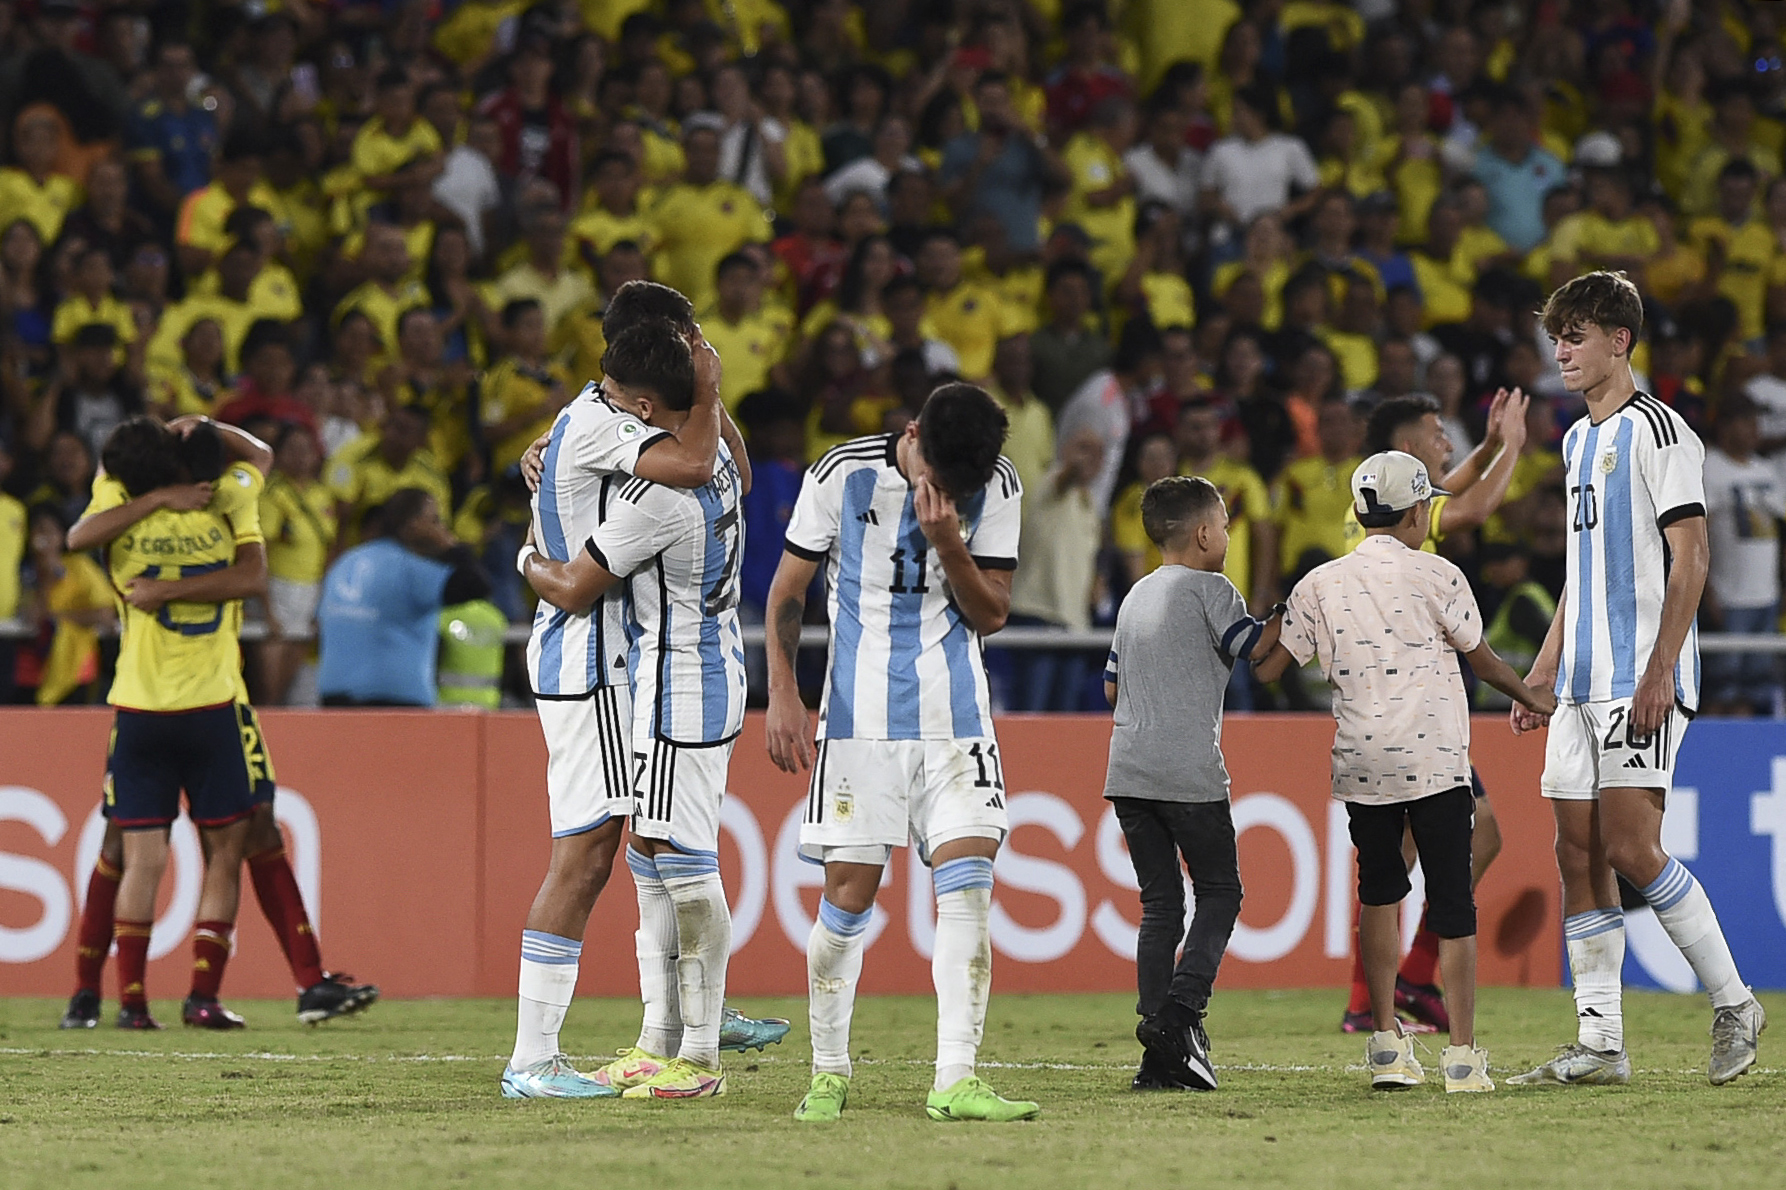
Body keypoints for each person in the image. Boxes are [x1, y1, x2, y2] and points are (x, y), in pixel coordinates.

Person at [1509, 272, 1765, 1088]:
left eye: (1577, 335)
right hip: (1581, 678)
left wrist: (1661, 670)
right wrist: (1544, 667)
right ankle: (1600, 1043)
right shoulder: (1576, 440)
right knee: (1575, 850)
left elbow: (1692, 554)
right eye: (1557, 337)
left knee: (1628, 845)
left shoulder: (1660, 430)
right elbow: (1582, 569)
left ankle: (1735, 1004)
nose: (1563, 351)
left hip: (1637, 676)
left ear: (1620, 341)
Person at [764, 383, 1039, 1125]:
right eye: (937, 480)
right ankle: (827, 1071)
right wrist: (784, 693)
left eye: (959, 490)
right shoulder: (840, 473)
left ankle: (955, 1077)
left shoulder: (998, 482)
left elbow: (993, 613)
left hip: (957, 720)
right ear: (911, 434)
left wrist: (951, 540)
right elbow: (789, 589)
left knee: (969, 889)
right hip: (859, 724)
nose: (943, 494)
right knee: (848, 902)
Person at [60, 418, 379, 1029]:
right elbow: (259, 465)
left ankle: (119, 1000)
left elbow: (79, 536)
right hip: (215, 706)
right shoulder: (230, 494)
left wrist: (154, 518)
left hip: (139, 706)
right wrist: (204, 425)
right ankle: (206, 996)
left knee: (134, 854)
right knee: (231, 846)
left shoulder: (122, 508)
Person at [1255, 450, 1556, 1093]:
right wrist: (1535, 698)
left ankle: (1387, 1044)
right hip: (1435, 759)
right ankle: (1464, 1056)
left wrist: (1278, 606)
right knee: (1452, 901)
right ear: (1419, 510)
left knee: (1379, 892)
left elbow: (1269, 667)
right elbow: (1486, 664)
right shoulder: (1440, 575)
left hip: (1362, 762)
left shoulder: (1320, 583)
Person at [521, 320, 749, 1101]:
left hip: (670, 683)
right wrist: (710, 391)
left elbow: (576, 584)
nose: (606, 404)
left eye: (621, 400)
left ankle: (698, 1048)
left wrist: (525, 547)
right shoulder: (714, 454)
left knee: (668, 858)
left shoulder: (659, 494)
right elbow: (724, 460)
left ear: (651, 408)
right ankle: (661, 1037)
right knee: (640, 854)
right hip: (674, 673)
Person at [1105, 476, 1282, 1091]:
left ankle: (1156, 1049)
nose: (1230, 537)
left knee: (1159, 906)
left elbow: (1110, 686)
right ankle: (1182, 1013)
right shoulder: (1214, 588)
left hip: (1127, 770)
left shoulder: (1133, 597)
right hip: (1188, 772)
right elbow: (1255, 648)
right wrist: (1293, 611)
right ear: (1205, 533)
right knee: (1221, 892)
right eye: (1227, 526)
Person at [315, 488, 491, 708]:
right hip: (394, 701)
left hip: (333, 698)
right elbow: (477, 585)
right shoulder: (410, 570)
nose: (441, 528)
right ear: (414, 525)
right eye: (435, 520)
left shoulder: (345, 563)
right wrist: (452, 546)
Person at [1699, 394, 1784, 716]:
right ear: (1725, 425)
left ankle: (1743, 758)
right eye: (1745, 421)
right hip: (1728, 594)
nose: (1754, 429)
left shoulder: (1766, 469)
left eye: (1755, 421)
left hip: (1765, 595)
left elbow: (1777, 531)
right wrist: (1706, 592)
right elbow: (1697, 533)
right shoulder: (1709, 468)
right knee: (1721, 687)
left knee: (1755, 685)